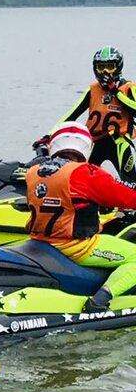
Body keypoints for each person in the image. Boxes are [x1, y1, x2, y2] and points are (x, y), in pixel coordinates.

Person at [26, 122, 136, 313]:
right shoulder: (85, 173)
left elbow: (66, 202)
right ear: (86, 146)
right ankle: (100, 301)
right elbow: (128, 197)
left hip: (40, 241)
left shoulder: (33, 172)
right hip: (75, 247)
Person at [37, 46, 136, 181]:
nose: (105, 72)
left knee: (130, 180)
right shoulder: (93, 90)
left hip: (119, 142)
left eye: (110, 67)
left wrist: (116, 92)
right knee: (82, 177)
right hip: (95, 142)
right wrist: (49, 135)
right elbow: (72, 114)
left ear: (118, 67)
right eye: (101, 67)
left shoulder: (128, 88)